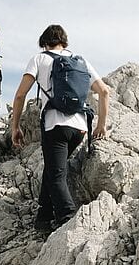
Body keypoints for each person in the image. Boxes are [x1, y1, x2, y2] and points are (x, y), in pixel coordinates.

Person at [11, 24, 110, 232]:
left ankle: (69, 221)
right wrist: (101, 125)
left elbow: (20, 95)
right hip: (80, 128)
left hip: (55, 125)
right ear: (64, 42)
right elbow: (104, 91)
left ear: (44, 43)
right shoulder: (80, 61)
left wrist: (15, 127)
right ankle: (43, 218)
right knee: (52, 168)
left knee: (56, 175)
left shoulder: (39, 59)